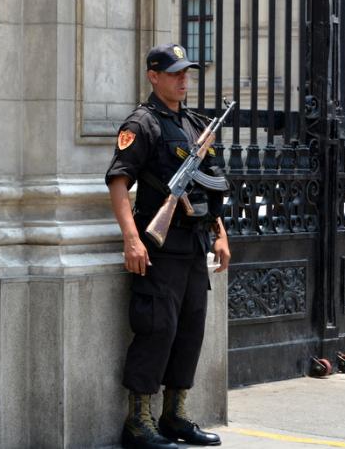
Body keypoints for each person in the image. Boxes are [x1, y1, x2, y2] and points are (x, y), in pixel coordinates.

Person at [105, 43, 230, 449]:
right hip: (157, 247)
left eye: (186, 73)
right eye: (174, 73)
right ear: (153, 76)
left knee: (189, 331)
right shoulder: (142, 124)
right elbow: (119, 181)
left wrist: (220, 233)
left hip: (193, 246)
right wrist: (131, 238)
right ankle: (138, 423)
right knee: (157, 330)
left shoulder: (196, 125)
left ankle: (175, 416)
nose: (183, 79)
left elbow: (209, 186)